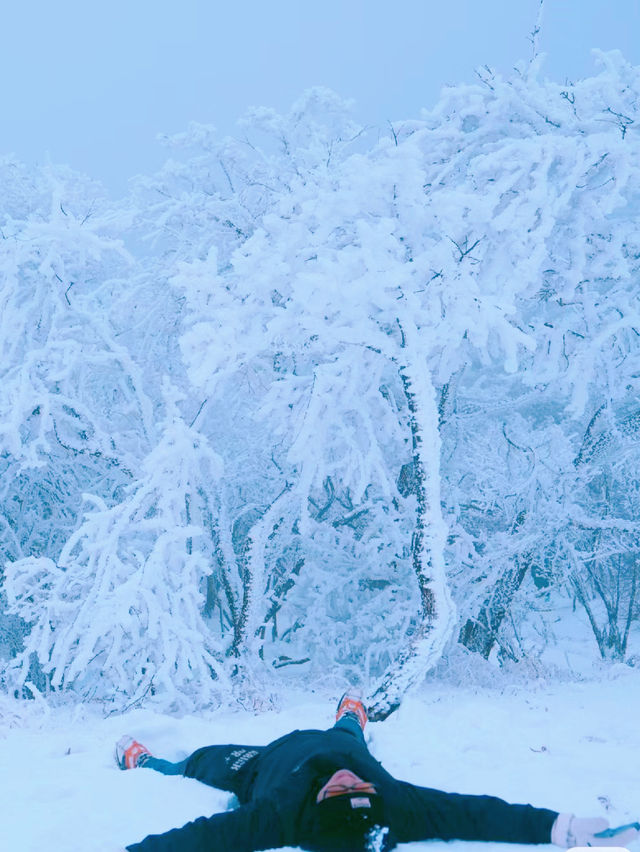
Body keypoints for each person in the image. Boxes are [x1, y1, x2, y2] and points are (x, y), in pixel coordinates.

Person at [116, 693, 639, 852]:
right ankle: (351, 711)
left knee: (203, 762)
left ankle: (148, 762)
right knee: (349, 735)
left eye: (339, 790)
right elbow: (477, 814)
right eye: (355, 787)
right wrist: (564, 828)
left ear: (313, 809)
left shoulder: (276, 816)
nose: (346, 780)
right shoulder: (394, 802)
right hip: (340, 742)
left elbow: (207, 836)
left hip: (264, 761)